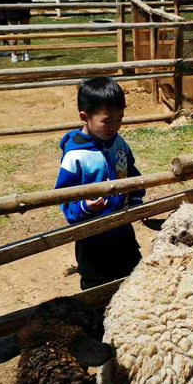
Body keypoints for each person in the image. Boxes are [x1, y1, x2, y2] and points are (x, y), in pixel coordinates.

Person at [55, 76, 145, 289]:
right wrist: (84, 207)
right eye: (107, 121)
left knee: (135, 277)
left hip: (122, 228)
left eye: (119, 119)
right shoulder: (75, 157)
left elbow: (130, 172)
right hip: (91, 235)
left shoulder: (119, 143)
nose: (114, 126)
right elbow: (64, 197)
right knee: (96, 285)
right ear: (84, 117)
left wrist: (136, 198)